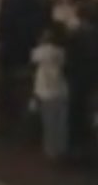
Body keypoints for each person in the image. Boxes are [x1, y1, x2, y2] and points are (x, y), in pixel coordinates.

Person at [31, 25, 69, 161]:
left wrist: (41, 42)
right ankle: (61, 147)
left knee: (49, 123)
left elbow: (33, 57)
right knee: (61, 122)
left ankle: (50, 150)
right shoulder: (62, 52)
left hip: (46, 92)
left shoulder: (42, 51)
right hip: (61, 90)